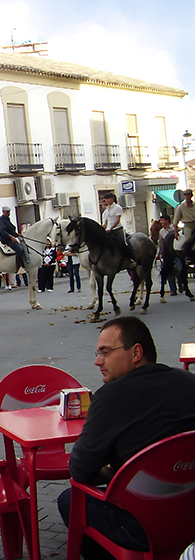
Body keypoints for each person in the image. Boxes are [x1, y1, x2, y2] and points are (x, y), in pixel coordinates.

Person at [57, 316, 195, 560]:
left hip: (143, 528)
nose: (98, 361)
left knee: (69, 500)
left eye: (105, 352)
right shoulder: (189, 381)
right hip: (189, 515)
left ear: (136, 352)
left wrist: (114, 473)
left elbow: (79, 472)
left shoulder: (109, 398)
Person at [101, 192, 133, 263]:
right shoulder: (106, 211)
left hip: (117, 229)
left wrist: (110, 228)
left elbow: (117, 220)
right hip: (108, 230)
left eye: (108, 198)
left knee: (123, 243)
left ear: (112, 199)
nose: (107, 200)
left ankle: (130, 258)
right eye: (105, 199)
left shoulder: (117, 208)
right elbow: (105, 223)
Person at [172, 188, 195, 262]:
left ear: (191, 196)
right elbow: (175, 221)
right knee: (188, 238)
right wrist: (175, 232)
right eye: (185, 195)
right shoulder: (181, 207)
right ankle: (188, 255)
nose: (187, 197)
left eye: (188, 195)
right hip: (188, 225)